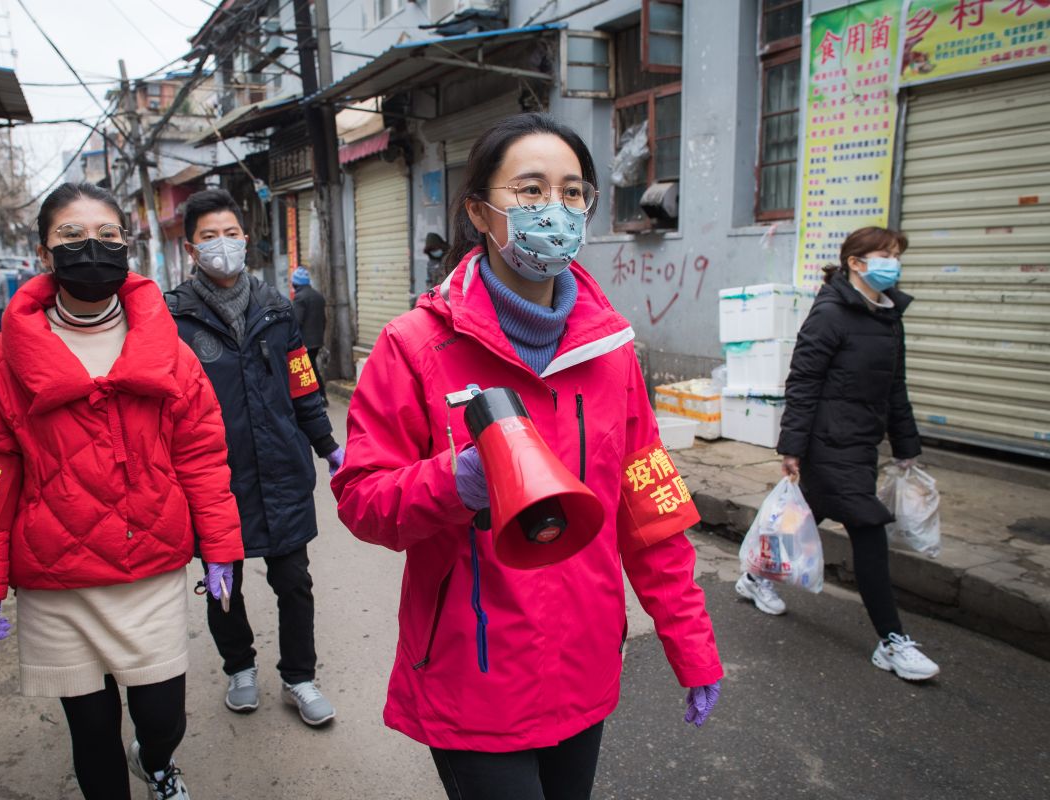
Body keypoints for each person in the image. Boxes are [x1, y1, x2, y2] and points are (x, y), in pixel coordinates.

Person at [331, 113, 723, 800]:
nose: (556, 210)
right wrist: (457, 481)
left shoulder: (610, 354)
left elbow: (651, 510)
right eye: (531, 190)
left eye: (573, 193)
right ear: (480, 211)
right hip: (471, 672)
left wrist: (691, 644)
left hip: (584, 665)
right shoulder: (414, 346)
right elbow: (364, 499)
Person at [0, 182, 244, 800]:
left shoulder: (169, 351)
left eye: (108, 237)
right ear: (44, 252)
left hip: (151, 568)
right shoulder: (1, 363)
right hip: (57, 583)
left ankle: (158, 762)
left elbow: (203, 457)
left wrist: (221, 548)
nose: (92, 249)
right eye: (72, 237)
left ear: (127, 247)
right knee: (91, 732)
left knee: (164, 719)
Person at [166, 189, 344, 727]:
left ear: (246, 239)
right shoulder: (173, 319)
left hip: (283, 471)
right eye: (208, 237)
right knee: (225, 585)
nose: (223, 245)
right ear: (191, 249)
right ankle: (239, 667)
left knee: (294, 581)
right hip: (216, 480)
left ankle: (299, 677)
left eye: (230, 233)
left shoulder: (277, 309)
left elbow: (303, 385)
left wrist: (328, 446)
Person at [740, 225, 940, 682]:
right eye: (884, 254)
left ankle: (755, 577)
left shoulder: (889, 316)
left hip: (862, 443)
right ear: (856, 262)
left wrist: (905, 448)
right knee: (868, 528)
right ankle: (891, 641)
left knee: (809, 513)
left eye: (896, 254)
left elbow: (895, 388)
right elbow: (804, 381)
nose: (893, 262)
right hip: (827, 443)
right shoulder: (830, 312)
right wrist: (792, 446)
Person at [290, 265, 328, 405]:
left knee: (308, 371)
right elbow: (324, 320)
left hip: (305, 342)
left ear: (296, 283)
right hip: (317, 341)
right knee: (311, 368)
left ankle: (318, 397)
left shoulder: (300, 298)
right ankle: (320, 396)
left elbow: (297, 321)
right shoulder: (317, 296)